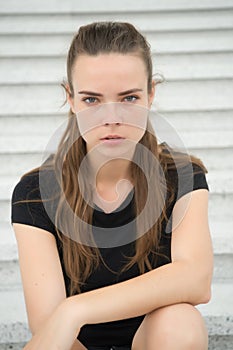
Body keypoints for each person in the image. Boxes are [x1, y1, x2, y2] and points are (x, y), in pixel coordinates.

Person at [11, 22, 213, 350]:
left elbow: (196, 279)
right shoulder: (36, 193)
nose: (111, 117)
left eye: (129, 97)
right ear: (71, 99)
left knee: (181, 323)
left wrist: (75, 309)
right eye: (92, 100)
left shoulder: (181, 176)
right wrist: (64, 318)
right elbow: (50, 328)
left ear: (151, 93)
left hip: (155, 340)